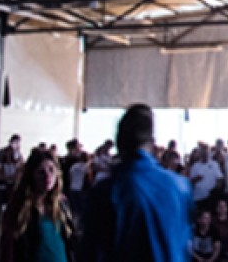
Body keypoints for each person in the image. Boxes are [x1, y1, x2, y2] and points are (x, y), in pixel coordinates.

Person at [83, 103, 194, 261]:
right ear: (152, 142)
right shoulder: (181, 187)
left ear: (119, 142)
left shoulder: (106, 191)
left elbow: (91, 252)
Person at [0, 149, 74, 262]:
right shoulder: (21, 207)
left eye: (51, 170)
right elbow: (9, 249)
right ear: (31, 175)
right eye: (41, 172)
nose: (47, 176)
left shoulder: (61, 204)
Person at [0, 134, 24, 238]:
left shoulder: (19, 155)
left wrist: (12, 178)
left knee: (12, 206)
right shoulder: (0, 154)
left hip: (12, 185)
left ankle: (9, 229)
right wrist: (7, 178)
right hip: (2, 184)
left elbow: (19, 170)